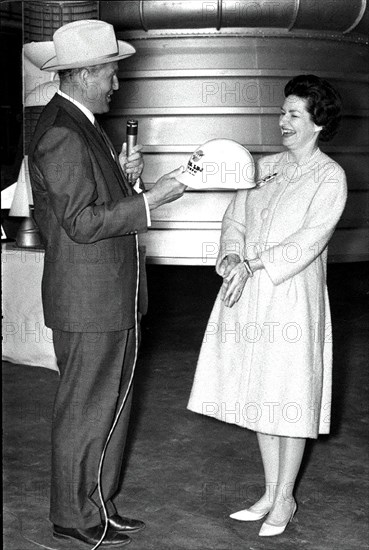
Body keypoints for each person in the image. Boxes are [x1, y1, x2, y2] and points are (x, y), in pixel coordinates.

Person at [28, 19, 186, 547]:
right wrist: (150, 200)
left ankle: (97, 503)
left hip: (108, 297)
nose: (117, 83)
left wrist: (123, 175)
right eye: (111, 74)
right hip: (88, 302)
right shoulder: (61, 133)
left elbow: (89, 201)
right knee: (85, 409)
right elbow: (83, 222)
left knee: (111, 406)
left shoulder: (83, 125)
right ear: (86, 73)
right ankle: (72, 516)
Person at [187, 74, 347, 537]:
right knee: (260, 392)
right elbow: (234, 219)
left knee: (289, 394)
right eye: (283, 112)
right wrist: (233, 254)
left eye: (294, 114)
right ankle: (270, 490)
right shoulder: (264, 167)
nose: (283, 121)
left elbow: (310, 239)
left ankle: (285, 500)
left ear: (318, 124)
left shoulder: (331, 176)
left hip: (292, 296)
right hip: (248, 289)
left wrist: (257, 262)